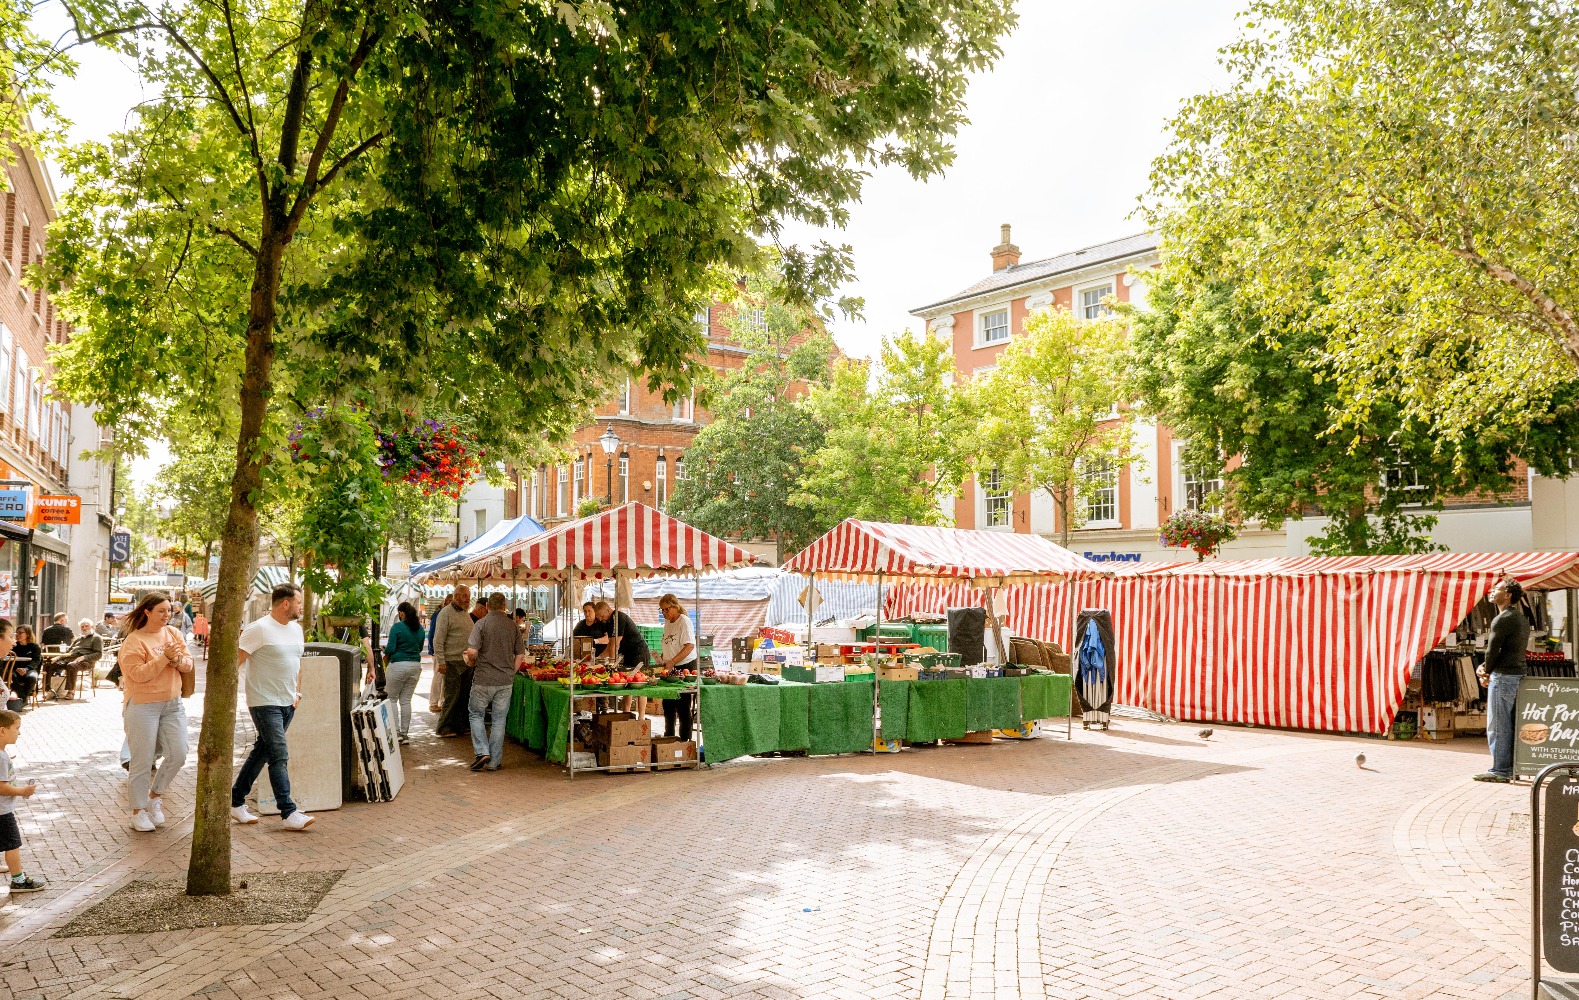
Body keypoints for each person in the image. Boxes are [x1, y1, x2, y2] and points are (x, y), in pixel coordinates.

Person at [229, 583, 314, 831]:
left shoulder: (297, 630)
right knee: (279, 754)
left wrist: (296, 694)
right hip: (263, 702)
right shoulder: (259, 629)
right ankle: (288, 812)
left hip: (288, 702)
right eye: (299, 602)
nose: (301, 607)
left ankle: (236, 801)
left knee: (262, 751)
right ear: (286, 604)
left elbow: (297, 664)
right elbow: (235, 662)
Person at [119, 591, 194, 832]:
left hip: (173, 704)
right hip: (143, 705)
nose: (167, 615)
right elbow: (137, 675)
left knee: (179, 753)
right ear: (147, 612)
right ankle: (138, 811)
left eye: (169, 610)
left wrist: (176, 661)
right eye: (161, 610)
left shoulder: (173, 633)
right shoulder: (134, 640)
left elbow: (188, 663)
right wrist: (164, 658)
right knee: (142, 760)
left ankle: (154, 797)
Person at [1474, 578, 1532, 783]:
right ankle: (1513, 766)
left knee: (1498, 725)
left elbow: (1494, 649)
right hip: (1517, 675)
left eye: (1496, 589)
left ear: (1507, 595)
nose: (1491, 591)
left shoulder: (1502, 619)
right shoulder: (1521, 619)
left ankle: (1500, 769)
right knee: (1512, 723)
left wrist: (1485, 670)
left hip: (1503, 676)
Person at [464, 593, 524, 771]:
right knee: (499, 719)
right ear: (504, 605)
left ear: (488, 604)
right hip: (505, 680)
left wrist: (471, 660)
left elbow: (472, 652)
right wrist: (511, 672)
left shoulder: (481, 624)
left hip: (483, 678)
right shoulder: (512, 626)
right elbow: (520, 654)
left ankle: (482, 751)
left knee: (476, 714)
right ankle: (494, 762)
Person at [0, 709, 43, 893]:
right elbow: (2, 787)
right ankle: (18, 880)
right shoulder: (1, 757)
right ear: (2, 731)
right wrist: (22, 791)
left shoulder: (3, 755)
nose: (19, 732)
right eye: (16, 728)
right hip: (2, 811)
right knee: (12, 844)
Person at [431, 586, 474, 738]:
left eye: (468, 595)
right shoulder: (445, 613)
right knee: (451, 695)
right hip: (452, 661)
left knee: (463, 696)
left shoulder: (464, 613)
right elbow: (438, 640)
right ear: (455, 597)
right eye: (464, 596)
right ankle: (443, 727)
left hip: (466, 662)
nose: (467, 599)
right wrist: (441, 661)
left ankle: (458, 726)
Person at [655, 594, 697, 741]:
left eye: (666, 609)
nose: (664, 613)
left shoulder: (684, 622)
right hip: (670, 666)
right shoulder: (668, 622)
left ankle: (685, 741)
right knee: (668, 703)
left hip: (684, 666)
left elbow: (689, 646)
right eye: (662, 610)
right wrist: (662, 658)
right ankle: (669, 737)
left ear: (675, 607)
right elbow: (668, 643)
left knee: (682, 705)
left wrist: (672, 661)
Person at [383, 602, 425, 744]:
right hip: (415, 666)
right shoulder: (419, 629)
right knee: (406, 700)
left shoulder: (397, 627)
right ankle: (405, 733)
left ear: (402, 613)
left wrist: (385, 653)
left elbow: (390, 648)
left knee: (392, 698)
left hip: (398, 665)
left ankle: (395, 733)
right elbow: (419, 648)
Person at [43, 619, 103, 698]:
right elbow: (68, 651)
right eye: (82, 627)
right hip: (70, 659)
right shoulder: (78, 639)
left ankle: (71, 692)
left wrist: (84, 657)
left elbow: (99, 654)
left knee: (72, 665)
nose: (84, 628)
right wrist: (58, 657)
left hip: (86, 662)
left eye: (86, 626)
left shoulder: (96, 638)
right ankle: (48, 690)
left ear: (91, 626)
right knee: (49, 664)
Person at [8, 626, 39, 706]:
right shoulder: (13, 646)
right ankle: (23, 699)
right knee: (11, 676)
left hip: (29, 669)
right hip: (15, 669)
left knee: (32, 677)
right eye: (17, 633)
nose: (17, 635)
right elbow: (8, 660)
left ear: (28, 634)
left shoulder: (34, 647)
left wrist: (26, 669)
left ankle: (22, 699)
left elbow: (36, 661)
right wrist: (16, 668)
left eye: (20, 633)